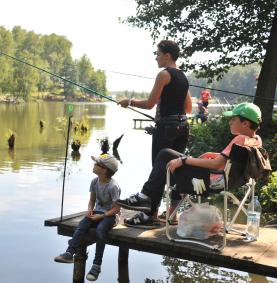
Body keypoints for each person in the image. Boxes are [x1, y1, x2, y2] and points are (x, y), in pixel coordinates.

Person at [117, 102, 263, 226]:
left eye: (233, 119)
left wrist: (184, 160)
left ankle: (145, 198)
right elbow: (229, 159)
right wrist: (210, 155)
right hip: (229, 180)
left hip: (212, 181)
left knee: (165, 155)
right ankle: (169, 214)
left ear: (245, 123)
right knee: (171, 165)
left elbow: (215, 165)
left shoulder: (239, 139)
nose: (230, 122)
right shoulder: (255, 139)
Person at [117, 40, 192, 227]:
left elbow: (150, 104)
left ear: (167, 55)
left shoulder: (164, 74)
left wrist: (130, 101)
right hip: (182, 127)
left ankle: (149, 216)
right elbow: (188, 108)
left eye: (158, 54)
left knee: (158, 170)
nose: (156, 58)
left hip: (166, 129)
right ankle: (171, 214)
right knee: (172, 169)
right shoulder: (183, 77)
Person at [54, 154, 121, 282]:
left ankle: (96, 265)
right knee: (82, 225)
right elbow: (92, 200)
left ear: (105, 170)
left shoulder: (113, 186)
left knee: (100, 230)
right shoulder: (94, 181)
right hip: (97, 212)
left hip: (110, 215)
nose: (94, 165)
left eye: (97, 164)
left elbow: (116, 209)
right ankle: (69, 253)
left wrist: (101, 216)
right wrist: (90, 209)